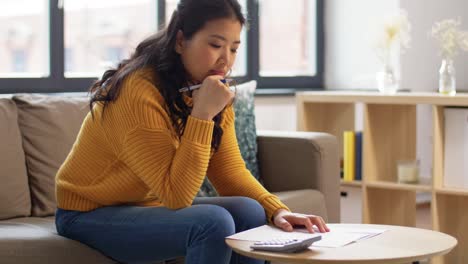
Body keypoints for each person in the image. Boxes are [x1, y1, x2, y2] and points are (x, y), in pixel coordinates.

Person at [54, 0, 329, 263]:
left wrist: (278, 211)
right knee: (213, 223)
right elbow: (176, 196)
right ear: (180, 40)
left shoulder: (207, 89)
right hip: (86, 213)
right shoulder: (138, 91)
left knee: (250, 211)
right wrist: (202, 114)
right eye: (215, 45)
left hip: (143, 206)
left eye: (234, 48)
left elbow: (229, 172)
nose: (226, 60)